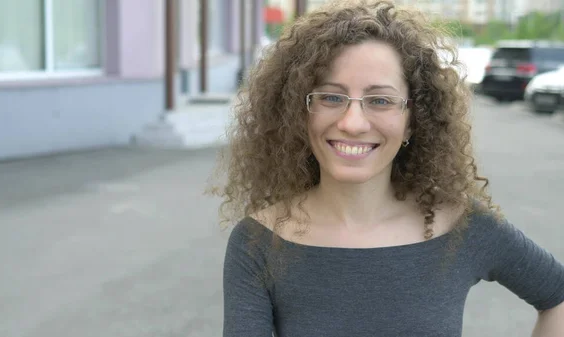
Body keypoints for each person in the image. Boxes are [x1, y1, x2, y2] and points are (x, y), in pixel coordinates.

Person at [209, 0, 564, 336]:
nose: (352, 122)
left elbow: (557, 297)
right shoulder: (258, 242)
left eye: (380, 100)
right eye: (331, 97)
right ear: (300, 113)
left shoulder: (462, 226)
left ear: (413, 121)